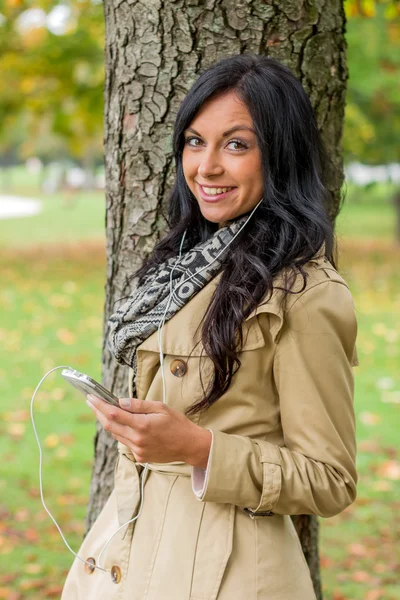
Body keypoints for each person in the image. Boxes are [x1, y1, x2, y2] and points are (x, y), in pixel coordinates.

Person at [61, 54, 359, 600]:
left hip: (229, 576)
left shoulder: (306, 294)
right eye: (195, 142)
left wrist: (200, 448)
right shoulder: (182, 266)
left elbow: (331, 478)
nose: (207, 167)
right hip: (127, 554)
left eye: (237, 145)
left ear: (280, 156)